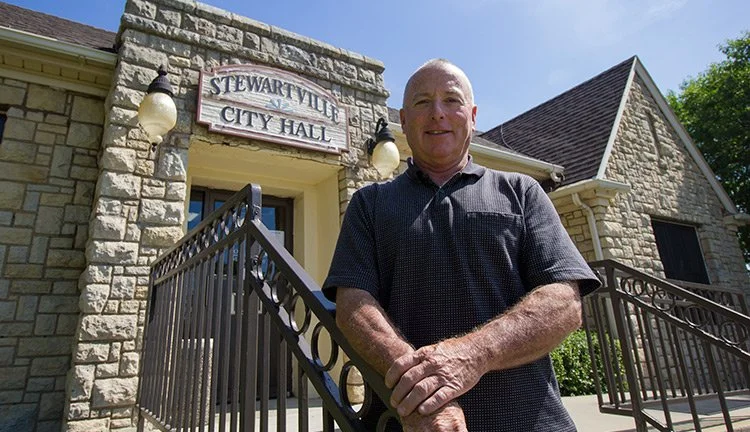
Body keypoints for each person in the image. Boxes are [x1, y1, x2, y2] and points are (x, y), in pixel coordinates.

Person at [323, 59, 600, 432]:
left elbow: (564, 302)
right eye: (422, 102)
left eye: (451, 100)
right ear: (403, 121)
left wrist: (470, 355)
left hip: (531, 420)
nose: (437, 113)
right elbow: (352, 305)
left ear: (472, 115)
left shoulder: (521, 192)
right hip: (406, 421)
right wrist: (424, 395)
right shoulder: (369, 203)